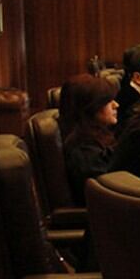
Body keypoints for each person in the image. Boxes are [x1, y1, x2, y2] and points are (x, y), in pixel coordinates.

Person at [60, 74, 119, 204]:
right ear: (90, 107)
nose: (116, 105)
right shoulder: (83, 149)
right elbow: (106, 193)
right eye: (108, 101)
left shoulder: (97, 135)